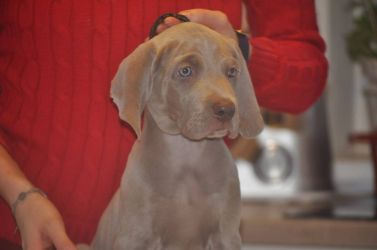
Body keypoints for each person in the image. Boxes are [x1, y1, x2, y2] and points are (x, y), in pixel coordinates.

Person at [0, 0, 328, 249]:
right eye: (186, 71)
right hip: (21, 229)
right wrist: (18, 195)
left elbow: (308, 73)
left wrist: (239, 52)